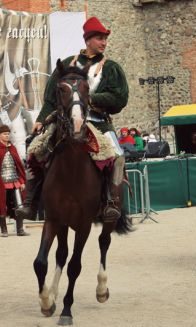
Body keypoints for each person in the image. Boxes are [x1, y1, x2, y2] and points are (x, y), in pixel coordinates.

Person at [16, 16, 129, 222]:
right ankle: (30, 203)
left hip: (98, 122)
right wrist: (42, 119)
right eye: (99, 38)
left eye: (105, 39)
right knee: (34, 149)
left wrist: (89, 98)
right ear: (88, 40)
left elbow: (120, 98)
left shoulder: (111, 67)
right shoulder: (68, 63)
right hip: (65, 123)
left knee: (119, 156)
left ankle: (111, 202)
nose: (104, 42)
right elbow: (52, 95)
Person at [0, 125, 29, 237]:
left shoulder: (13, 148)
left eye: (8, 134)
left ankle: (20, 229)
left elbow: (18, 166)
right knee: (1, 205)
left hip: (14, 181)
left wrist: (22, 181)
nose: (7, 135)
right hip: (2, 183)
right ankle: (4, 230)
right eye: (4, 134)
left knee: (19, 205)